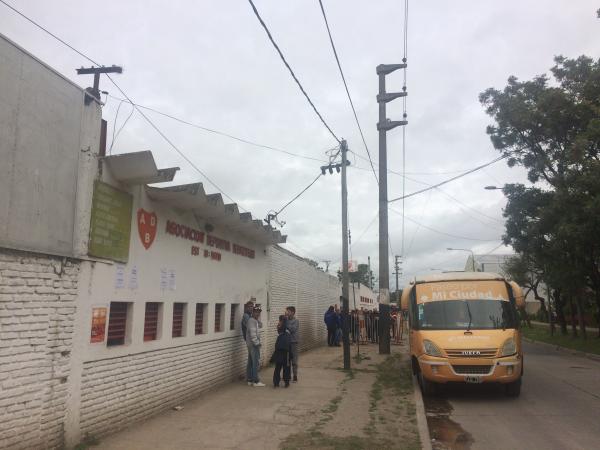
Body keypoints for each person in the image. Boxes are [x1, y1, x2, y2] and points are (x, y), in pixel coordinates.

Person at [246, 305, 265, 387]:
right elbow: (253, 334)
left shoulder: (254, 320)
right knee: (255, 363)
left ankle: (250, 379)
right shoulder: (252, 321)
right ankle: (256, 381)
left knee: (250, 362)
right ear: (253, 312)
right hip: (254, 345)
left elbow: (261, 325)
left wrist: (257, 319)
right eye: (256, 312)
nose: (258, 314)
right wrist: (257, 343)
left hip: (251, 344)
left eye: (259, 312)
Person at [271, 315, 292, 388]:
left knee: (278, 367)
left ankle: (276, 383)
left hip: (279, 349)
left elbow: (279, 332)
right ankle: (286, 382)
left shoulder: (279, 326)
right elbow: (289, 340)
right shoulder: (286, 328)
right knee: (286, 367)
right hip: (286, 351)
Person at [241, 300, 254, 385]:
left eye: (252, 307)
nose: (251, 308)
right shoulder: (246, 316)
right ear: (246, 307)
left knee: (251, 359)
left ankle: (250, 376)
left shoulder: (250, 316)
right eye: (249, 307)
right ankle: (249, 377)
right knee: (252, 359)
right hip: (249, 340)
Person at [285, 306, 299, 382]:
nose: (287, 313)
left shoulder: (296, 321)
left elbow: (293, 329)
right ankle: (288, 375)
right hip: (287, 342)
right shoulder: (285, 320)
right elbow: (282, 327)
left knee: (294, 360)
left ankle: (295, 375)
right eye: (287, 311)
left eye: (289, 311)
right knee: (287, 360)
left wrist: (286, 325)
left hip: (294, 342)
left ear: (293, 312)